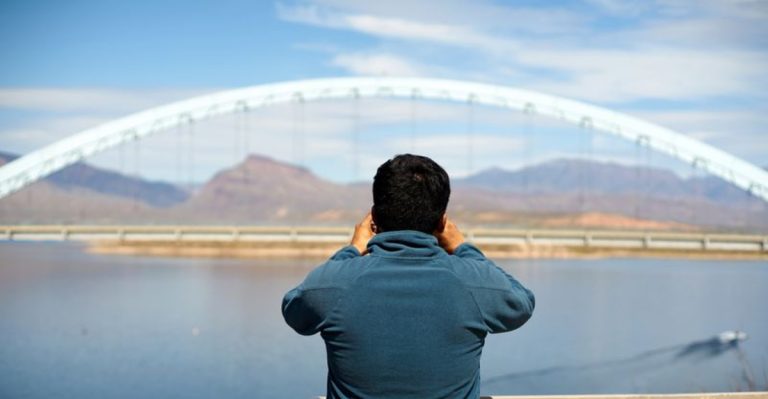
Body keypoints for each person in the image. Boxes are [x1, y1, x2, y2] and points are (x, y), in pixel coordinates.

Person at [282, 154, 535, 399]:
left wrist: (351, 251)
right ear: (442, 222)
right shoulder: (471, 282)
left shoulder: (335, 284)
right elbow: (521, 302)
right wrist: (463, 248)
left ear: (374, 218)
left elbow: (294, 309)